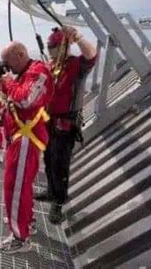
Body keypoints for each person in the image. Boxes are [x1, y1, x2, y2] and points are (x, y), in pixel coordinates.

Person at [0, 42, 54, 253]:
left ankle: (20, 238)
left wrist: (7, 82)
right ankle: (25, 220)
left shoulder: (38, 72)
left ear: (20, 54)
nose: (7, 68)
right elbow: (14, 100)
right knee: (21, 187)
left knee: (14, 188)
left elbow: (27, 100)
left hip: (25, 139)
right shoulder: (23, 74)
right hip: (19, 138)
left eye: (8, 62)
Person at [34, 26, 97, 224]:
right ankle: (51, 192)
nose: (50, 50)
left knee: (61, 164)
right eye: (49, 47)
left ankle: (59, 202)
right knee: (49, 159)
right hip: (48, 122)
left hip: (65, 124)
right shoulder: (52, 66)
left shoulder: (75, 65)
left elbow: (91, 55)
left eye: (52, 46)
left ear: (60, 47)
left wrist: (77, 37)